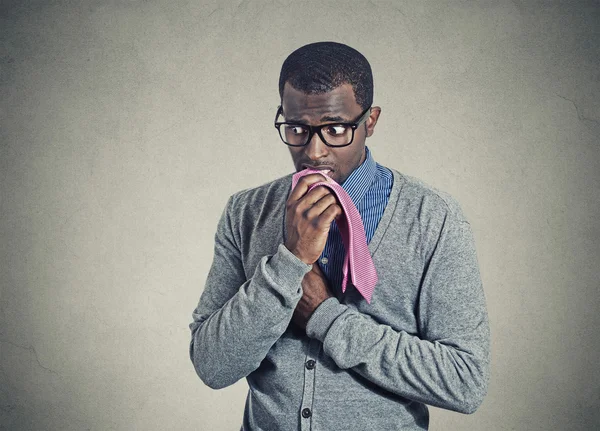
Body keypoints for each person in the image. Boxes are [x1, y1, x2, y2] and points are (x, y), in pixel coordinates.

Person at [189, 41, 490, 431]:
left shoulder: (433, 219)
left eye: (334, 129)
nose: (313, 152)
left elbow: (465, 381)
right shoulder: (246, 212)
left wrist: (326, 317)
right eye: (297, 129)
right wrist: (288, 265)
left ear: (370, 121)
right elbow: (212, 365)